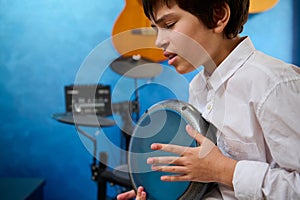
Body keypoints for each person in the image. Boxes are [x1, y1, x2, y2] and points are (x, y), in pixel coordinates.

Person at [117, 0, 300, 199]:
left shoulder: (274, 84)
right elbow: (207, 183)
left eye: (169, 25)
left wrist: (224, 170)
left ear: (218, 16)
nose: (159, 41)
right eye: (156, 29)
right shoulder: (198, 87)